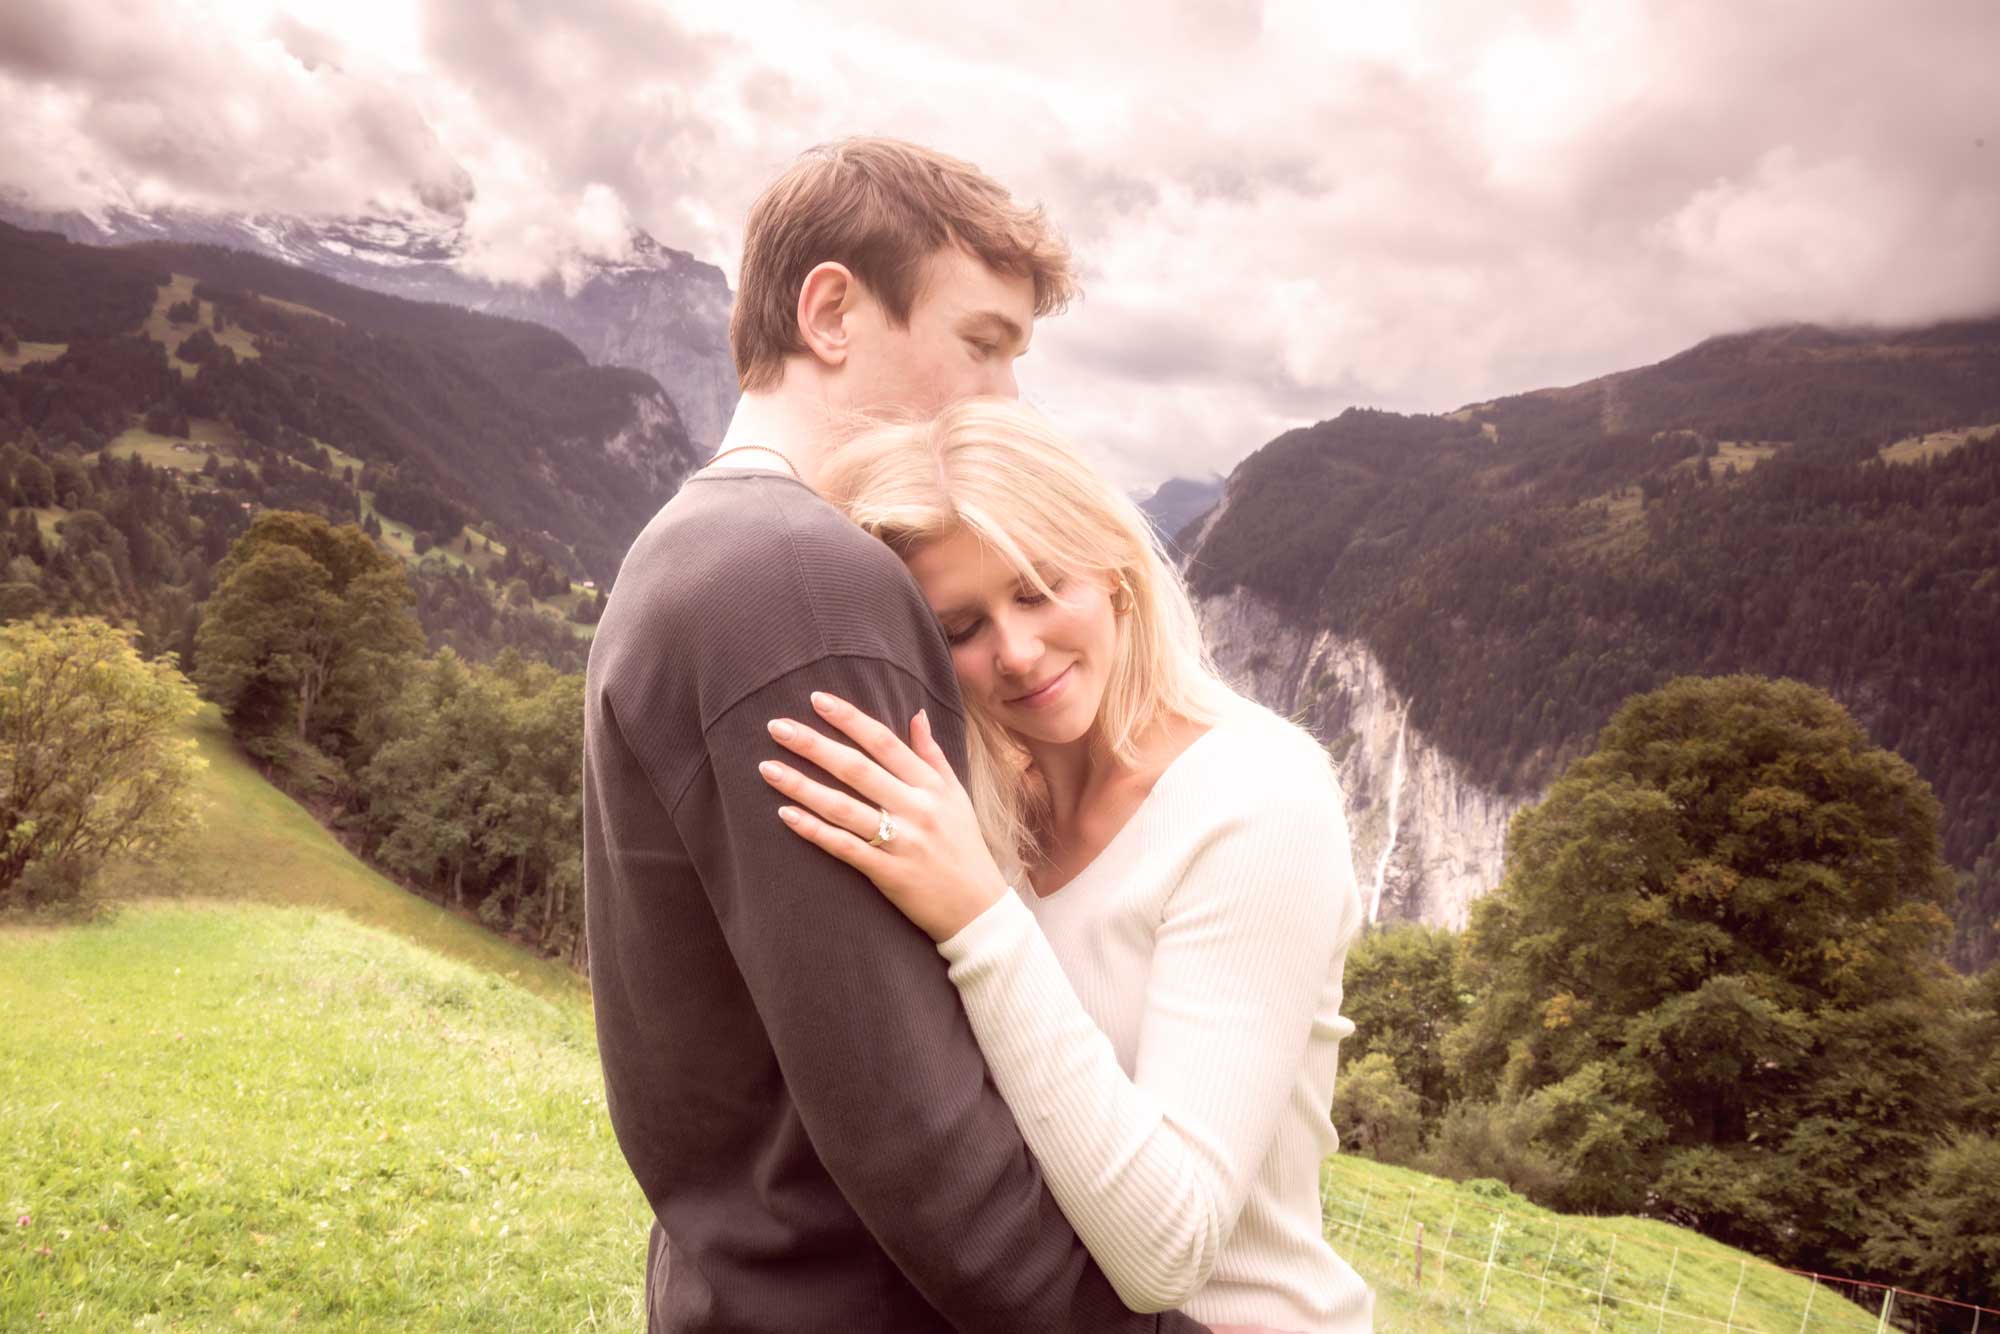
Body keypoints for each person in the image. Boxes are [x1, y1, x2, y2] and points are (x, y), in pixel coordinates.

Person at [582, 138, 1217, 1333]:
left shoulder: (684, 554)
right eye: (982, 343)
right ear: (831, 310)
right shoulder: (800, 586)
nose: (1005, 398)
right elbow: (906, 1106)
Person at [755, 397, 1376, 1333]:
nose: (1017, 650)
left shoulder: (1259, 799)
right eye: (960, 628)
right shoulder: (975, 815)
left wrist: (977, 917)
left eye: (1041, 588)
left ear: (1117, 574)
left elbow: (1169, 1250)